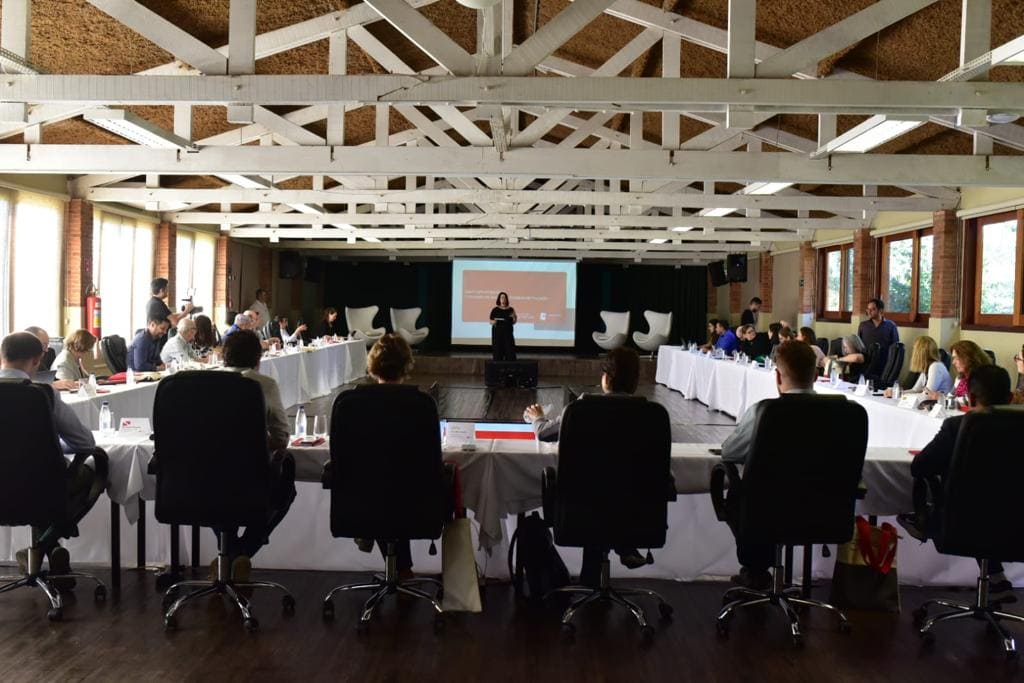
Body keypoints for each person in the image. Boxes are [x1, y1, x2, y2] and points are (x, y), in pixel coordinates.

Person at [523, 347, 647, 585]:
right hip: (633, 508)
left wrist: (536, 416)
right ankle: (623, 546)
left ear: (606, 378)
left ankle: (593, 579)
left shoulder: (582, 409)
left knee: (596, 490)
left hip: (582, 505)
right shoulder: (648, 414)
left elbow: (545, 433)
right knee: (612, 491)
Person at [901, 364, 1015, 604]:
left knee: (977, 508)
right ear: (1011, 397)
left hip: (962, 521)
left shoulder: (959, 427)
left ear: (971, 397)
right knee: (990, 510)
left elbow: (920, 467)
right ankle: (995, 576)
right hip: (1016, 522)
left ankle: (995, 577)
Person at [0, 332, 102, 581]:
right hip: (41, 485)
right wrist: (49, 444)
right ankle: (44, 546)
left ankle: (45, 549)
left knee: (41, 478)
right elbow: (84, 443)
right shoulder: (42, 394)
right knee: (94, 472)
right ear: (37, 360)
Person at [720, 341, 820, 589]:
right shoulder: (845, 413)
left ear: (777, 375)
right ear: (816, 375)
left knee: (743, 497)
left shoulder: (765, 412)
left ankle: (755, 569)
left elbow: (730, 451)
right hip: (821, 510)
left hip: (766, 509)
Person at [216, 330, 296, 580]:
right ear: (258, 358)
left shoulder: (202, 383)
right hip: (251, 478)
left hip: (205, 480)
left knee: (211, 502)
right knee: (284, 491)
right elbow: (282, 438)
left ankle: (226, 556)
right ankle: (243, 553)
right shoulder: (264, 384)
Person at [351, 334, 421, 579]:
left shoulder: (352, 404)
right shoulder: (420, 405)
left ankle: (401, 570)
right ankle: (402, 570)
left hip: (363, 498)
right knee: (396, 485)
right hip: (415, 499)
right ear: (406, 364)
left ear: (372, 365)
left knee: (378, 484)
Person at [885, 336, 951, 399]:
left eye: (914, 349)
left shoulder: (935, 367)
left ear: (919, 352)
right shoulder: (927, 367)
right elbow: (915, 390)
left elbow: (926, 395)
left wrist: (900, 394)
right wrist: (897, 393)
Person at [928, 340, 991, 405]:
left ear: (968, 358)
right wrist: (941, 396)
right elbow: (950, 396)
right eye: (953, 358)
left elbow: (971, 401)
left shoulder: (983, 376)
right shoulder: (960, 377)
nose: (953, 362)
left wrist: (946, 399)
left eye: (956, 358)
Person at [24, 326, 79, 392]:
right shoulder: (16, 362)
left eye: (47, 345)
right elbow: (20, 387)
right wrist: (52, 385)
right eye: (44, 345)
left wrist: (68, 383)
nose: (47, 350)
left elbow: (51, 380)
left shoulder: (38, 362)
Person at [857, 298, 899, 381]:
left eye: (872, 309)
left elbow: (895, 346)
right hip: (866, 363)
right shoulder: (863, 325)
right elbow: (859, 345)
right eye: (868, 309)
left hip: (884, 363)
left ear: (881, 311)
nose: (869, 312)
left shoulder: (891, 325)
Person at [490, 292, 517, 361]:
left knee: (509, 350)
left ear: (506, 299)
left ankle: (510, 368)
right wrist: (494, 322)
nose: (503, 299)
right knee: (498, 350)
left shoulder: (511, 309)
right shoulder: (495, 310)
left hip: (508, 333)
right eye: (501, 297)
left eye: (504, 297)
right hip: (498, 334)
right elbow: (491, 321)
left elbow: (514, 322)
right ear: (499, 299)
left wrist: (514, 318)